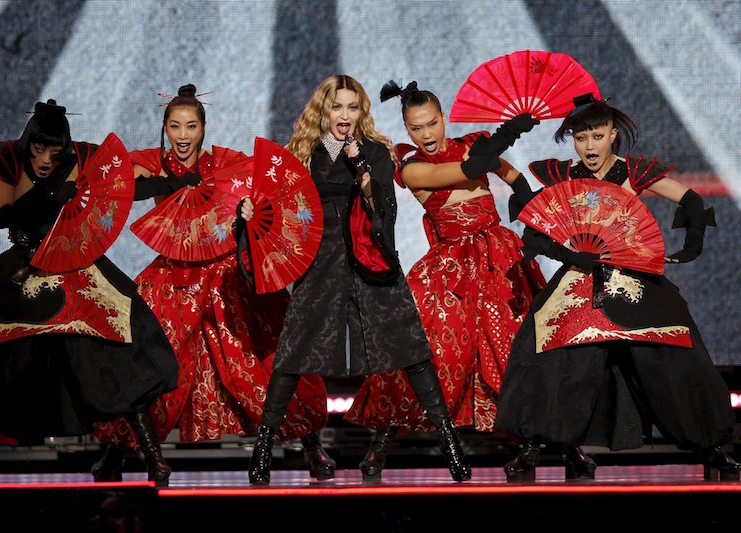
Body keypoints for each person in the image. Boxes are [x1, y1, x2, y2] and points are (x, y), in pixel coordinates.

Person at [91, 84, 333, 483]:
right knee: (149, 360)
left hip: (225, 274)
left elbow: (263, 186)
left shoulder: (226, 162)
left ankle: (311, 445)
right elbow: (114, 178)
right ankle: (118, 452)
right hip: (175, 274)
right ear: (165, 128)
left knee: (259, 360)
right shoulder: (153, 162)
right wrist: (141, 180)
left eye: (191, 126)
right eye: (175, 127)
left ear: (203, 128)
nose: (183, 136)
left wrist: (251, 208)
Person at [494, 93, 740, 482]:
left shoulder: (634, 172)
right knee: (552, 351)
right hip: (582, 277)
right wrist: (573, 257)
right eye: (580, 138)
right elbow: (536, 231)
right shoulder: (562, 175)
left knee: (674, 356)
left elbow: (690, 199)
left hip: (634, 279)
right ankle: (539, 450)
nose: (589, 147)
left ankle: (713, 449)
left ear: (612, 134)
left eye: (596, 136)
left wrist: (690, 247)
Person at [240, 74, 471, 485]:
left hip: (370, 259)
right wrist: (249, 213)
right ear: (324, 110)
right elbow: (282, 213)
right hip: (321, 263)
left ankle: (450, 442)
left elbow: (386, 214)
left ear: (360, 111)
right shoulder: (304, 154)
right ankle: (262, 448)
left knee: (411, 349)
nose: (344, 115)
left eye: (352, 107)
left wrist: (366, 183)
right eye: (337, 107)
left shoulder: (376, 152)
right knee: (291, 356)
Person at [0, 99, 179, 485]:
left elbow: (123, 185)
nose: (46, 160)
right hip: (24, 269)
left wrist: (173, 183)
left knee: (119, 344)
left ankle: (155, 458)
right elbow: (4, 215)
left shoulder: (82, 159)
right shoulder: (8, 163)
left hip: (75, 266)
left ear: (65, 147)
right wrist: (51, 196)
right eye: (38, 150)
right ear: (27, 144)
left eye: (54, 151)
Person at [343, 80, 547, 481]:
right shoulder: (411, 166)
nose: (426, 134)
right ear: (406, 130)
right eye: (416, 128)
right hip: (450, 267)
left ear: (443, 118)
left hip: (500, 259)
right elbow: (471, 169)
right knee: (424, 354)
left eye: (432, 124)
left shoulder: (472, 143)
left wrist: (531, 212)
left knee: (517, 349)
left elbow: (512, 177)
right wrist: (508, 132)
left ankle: (545, 450)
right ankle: (380, 446)